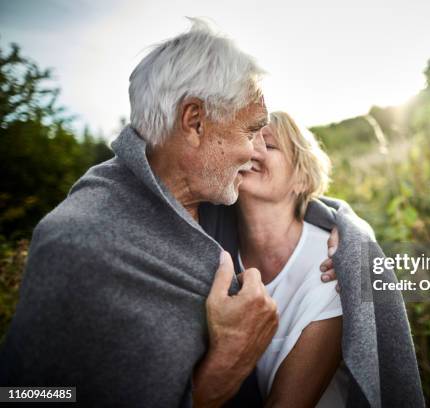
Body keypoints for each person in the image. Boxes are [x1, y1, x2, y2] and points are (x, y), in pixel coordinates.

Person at [0, 19, 339, 407]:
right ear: (195, 122)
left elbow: (297, 201)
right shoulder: (78, 244)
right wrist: (230, 360)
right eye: (249, 132)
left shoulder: (209, 201)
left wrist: (345, 229)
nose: (252, 153)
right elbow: (26, 395)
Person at [236, 112, 347, 406]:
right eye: (247, 140)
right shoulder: (215, 249)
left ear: (301, 178)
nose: (251, 150)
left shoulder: (331, 265)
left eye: (268, 145)